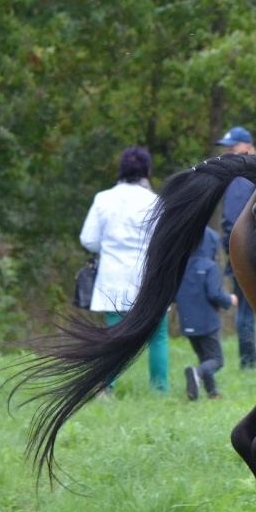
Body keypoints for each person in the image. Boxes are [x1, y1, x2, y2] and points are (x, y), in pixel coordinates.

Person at [80, 145, 169, 392]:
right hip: (147, 278)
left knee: (113, 336)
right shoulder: (154, 201)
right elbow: (161, 241)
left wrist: (107, 246)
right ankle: (160, 389)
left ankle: (107, 386)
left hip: (113, 278)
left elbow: (88, 239)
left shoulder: (103, 199)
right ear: (148, 171)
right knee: (158, 335)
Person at [216, 125, 256, 369]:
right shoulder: (249, 175)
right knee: (248, 308)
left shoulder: (240, 179)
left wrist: (230, 247)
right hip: (255, 250)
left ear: (248, 147)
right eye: (227, 148)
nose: (229, 152)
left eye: (234, 147)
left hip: (247, 250)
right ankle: (248, 363)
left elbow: (232, 222)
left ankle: (249, 363)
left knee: (246, 308)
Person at [175, 226, 236, 400]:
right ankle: (197, 373)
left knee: (204, 357)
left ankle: (212, 392)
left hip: (188, 323)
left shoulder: (181, 266)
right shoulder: (210, 266)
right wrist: (229, 300)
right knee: (216, 360)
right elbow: (214, 293)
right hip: (207, 322)